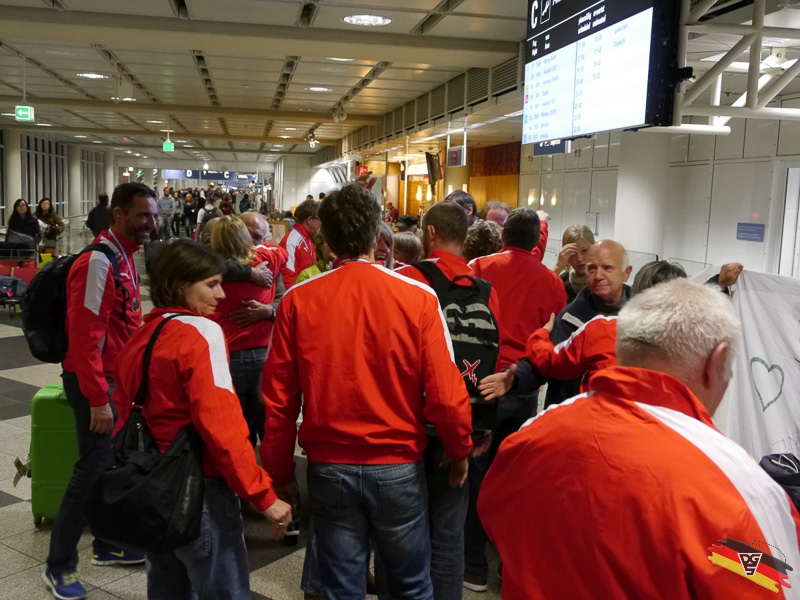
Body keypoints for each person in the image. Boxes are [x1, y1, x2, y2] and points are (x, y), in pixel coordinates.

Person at [478, 279, 800, 598]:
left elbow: (495, 517)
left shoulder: (530, 438)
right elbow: (776, 584)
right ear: (716, 361)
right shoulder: (739, 491)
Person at [260, 183, 473, 600]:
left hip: (328, 465)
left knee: (341, 587)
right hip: (398, 464)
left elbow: (279, 401)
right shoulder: (418, 296)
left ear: (326, 236)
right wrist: (459, 448)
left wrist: (280, 472)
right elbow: (446, 394)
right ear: (378, 234)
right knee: (411, 585)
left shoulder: (298, 300)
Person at [112, 240, 291, 599]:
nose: (221, 295)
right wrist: (262, 495)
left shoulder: (141, 337)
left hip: (154, 482)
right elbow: (222, 426)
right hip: (200, 487)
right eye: (211, 285)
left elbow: (123, 417)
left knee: (167, 586)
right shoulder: (202, 333)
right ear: (180, 285)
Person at [42, 183, 158, 600]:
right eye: (143, 215)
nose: (151, 224)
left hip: (113, 380)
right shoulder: (98, 261)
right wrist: (97, 398)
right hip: (94, 382)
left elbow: (123, 320)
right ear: (119, 214)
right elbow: (84, 336)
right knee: (91, 470)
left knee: (109, 465)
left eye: (154, 216)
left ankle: (107, 544)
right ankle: (59, 566)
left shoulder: (123, 255)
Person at [395, 201, 500, 599]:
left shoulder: (408, 279)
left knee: (404, 528)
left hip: (411, 423)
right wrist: (480, 428)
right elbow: (493, 361)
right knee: (449, 530)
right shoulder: (484, 290)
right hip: (463, 426)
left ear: (430, 233)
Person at [466, 207, 566, 591]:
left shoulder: (480, 266)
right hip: (524, 386)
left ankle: (473, 566)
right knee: (514, 480)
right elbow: (554, 335)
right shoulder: (552, 282)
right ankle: (508, 564)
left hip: (483, 384)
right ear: (537, 240)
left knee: (475, 476)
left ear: (504, 234)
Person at [208, 216, 286, 447]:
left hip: (244, 354)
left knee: (238, 428)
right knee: (266, 425)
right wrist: (251, 273)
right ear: (242, 235)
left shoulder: (209, 269)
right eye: (251, 236)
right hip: (235, 355)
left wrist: (268, 310)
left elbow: (282, 300)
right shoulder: (270, 259)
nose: (256, 242)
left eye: (260, 237)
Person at [279, 199, 320, 288]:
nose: (321, 223)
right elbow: (288, 279)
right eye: (320, 219)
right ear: (309, 220)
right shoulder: (292, 242)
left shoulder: (308, 238)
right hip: (299, 293)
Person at [552, 224, 596, 303]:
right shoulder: (563, 281)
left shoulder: (602, 280)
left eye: (584, 251)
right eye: (573, 253)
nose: (579, 259)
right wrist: (558, 267)